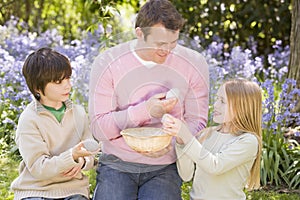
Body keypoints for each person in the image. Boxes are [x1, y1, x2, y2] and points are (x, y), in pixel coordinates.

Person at [88, 0, 209, 199]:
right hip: (117, 162)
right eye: (160, 44)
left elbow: (198, 122)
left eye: (173, 43)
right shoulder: (108, 62)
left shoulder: (193, 63)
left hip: (165, 165)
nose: (167, 50)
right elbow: (99, 128)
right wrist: (146, 111)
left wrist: (168, 146)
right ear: (139, 34)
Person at [11, 47, 98, 200]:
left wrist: (82, 162)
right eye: (58, 82)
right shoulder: (29, 119)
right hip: (35, 190)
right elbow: (39, 168)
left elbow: (91, 153)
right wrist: (71, 156)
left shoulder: (78, 113)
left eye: (68, 78)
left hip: (73, 189)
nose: (68, 86)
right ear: (38, 88)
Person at [162, 78, 262, 200]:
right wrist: (181, 140)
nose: (215, 105)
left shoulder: (248, 141)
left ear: (243, 107)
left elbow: (215, 166)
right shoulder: (208, 134)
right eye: (216, 99)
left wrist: (187, 136)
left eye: (222, 101)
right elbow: (186, 175)